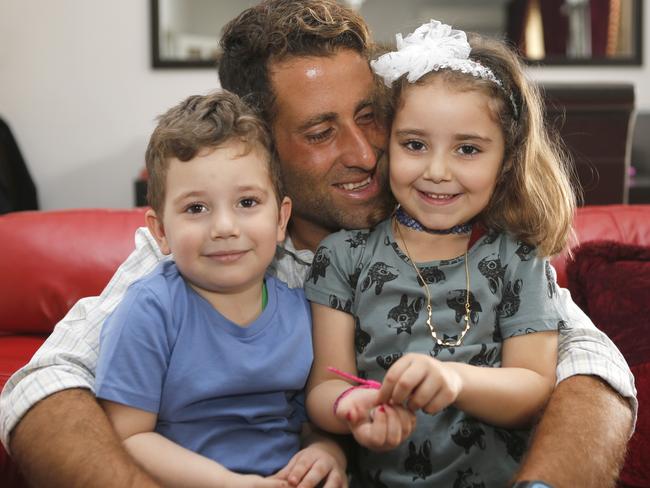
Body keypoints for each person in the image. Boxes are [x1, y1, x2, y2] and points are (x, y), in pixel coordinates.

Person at [0, 2, 635, 487]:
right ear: (263, 144)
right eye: (320, 131)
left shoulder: (476, 240)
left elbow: (593, 368)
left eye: (369, 116)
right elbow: (42, 385)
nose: (365, 153)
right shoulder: (206, 251)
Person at [303, 19, 589, 487]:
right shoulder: (342, 256)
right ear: (387, 146)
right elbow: (323, 387)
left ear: (507, 158)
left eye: (468, 150)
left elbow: (533, 389)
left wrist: (455, 381)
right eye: (415, 144)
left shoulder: (519, 258)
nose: (437, 171)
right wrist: (349, 406)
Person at [93, 90, 345, 487]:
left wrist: (327, 451)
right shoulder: (150, 311)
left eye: (247, 202)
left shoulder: (301, 311)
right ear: (160, 231)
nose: (225, 227)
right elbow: (128, 435)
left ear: (281, 220)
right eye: (196, 208)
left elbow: (305, 421)